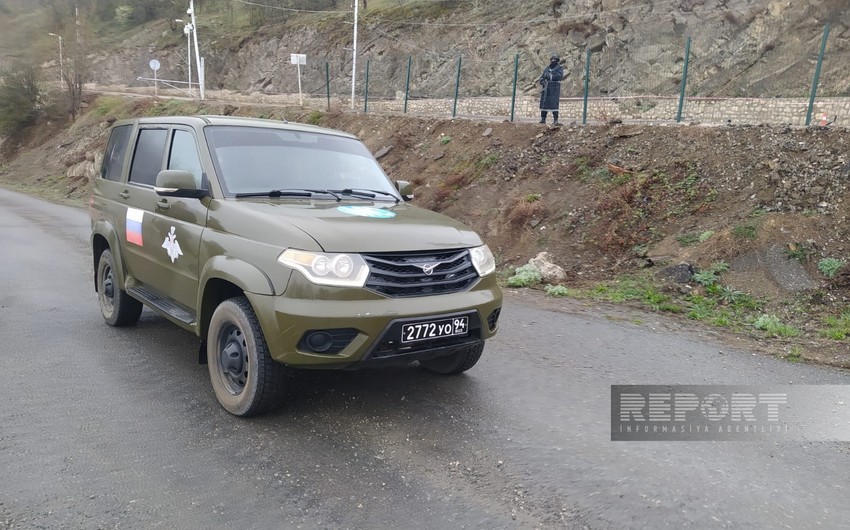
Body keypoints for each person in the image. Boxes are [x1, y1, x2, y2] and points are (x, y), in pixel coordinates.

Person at [539, 55, 564, 125]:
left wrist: (550, 76)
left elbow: (559, 76)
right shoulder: (547, 68)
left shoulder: (559, 68)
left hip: (554, 88)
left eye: (554, 60)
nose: (553, 62)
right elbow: (542, 76)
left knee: (554, 104)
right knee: (544, 104)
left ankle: (555, 120)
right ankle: (543, 119)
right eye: (552, 60)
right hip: (546, 88)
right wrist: (542, 81)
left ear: (557, 61)